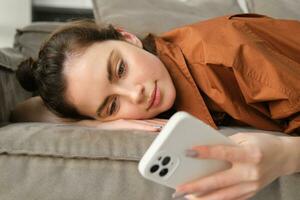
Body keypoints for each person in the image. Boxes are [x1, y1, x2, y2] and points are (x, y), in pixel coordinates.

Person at [11, 14, 300, 200]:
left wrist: (286, 154)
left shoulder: (228, 58)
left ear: (127, 37)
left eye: (120, 69)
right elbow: (22, 112)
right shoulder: (159, 77)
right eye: (112, 104)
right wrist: (97, 123)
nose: (134, 95)